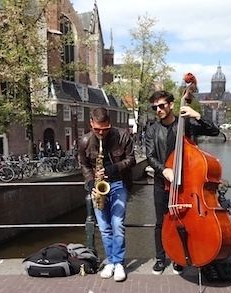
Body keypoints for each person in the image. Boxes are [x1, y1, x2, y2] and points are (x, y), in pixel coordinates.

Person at [145, 90, 220, 275]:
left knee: (184, 220)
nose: (158, 110)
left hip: (187, 184)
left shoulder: (187, 124)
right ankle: (161, 258)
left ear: (171, 105)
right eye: (155, 107)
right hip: (163, 184)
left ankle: (180, 258)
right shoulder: (153, 130)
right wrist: (164, 170)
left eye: (161, 106)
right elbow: (150, 156)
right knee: (161, 222)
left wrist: (198, 116)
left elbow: (215, 131)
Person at [78, 107, 136, 282]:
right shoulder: (85, 141)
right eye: (97, 129)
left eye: (105, 128)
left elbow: (132, 159)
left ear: (110, 123)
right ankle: (110, 261)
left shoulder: (123, 135)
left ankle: (118, 263)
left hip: (119, 183)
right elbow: (84, 165)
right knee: (104, 227)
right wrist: (90, 185)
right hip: (99, 186)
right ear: (91, 123)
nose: (101, 132)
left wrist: (113, 168)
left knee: (117, 224)